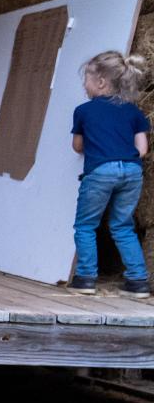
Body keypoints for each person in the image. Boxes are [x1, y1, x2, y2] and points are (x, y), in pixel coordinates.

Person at [69, 50, 150, 299]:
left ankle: (85, 279)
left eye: (87, 79)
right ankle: (138, 283)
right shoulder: (134, 112)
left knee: (86, 225)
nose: (85, 84)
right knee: (123, 226)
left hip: (100, 172)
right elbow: (142, 151)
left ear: (101, 81)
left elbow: (78, 147)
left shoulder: (84, 111)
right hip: (132, 171)